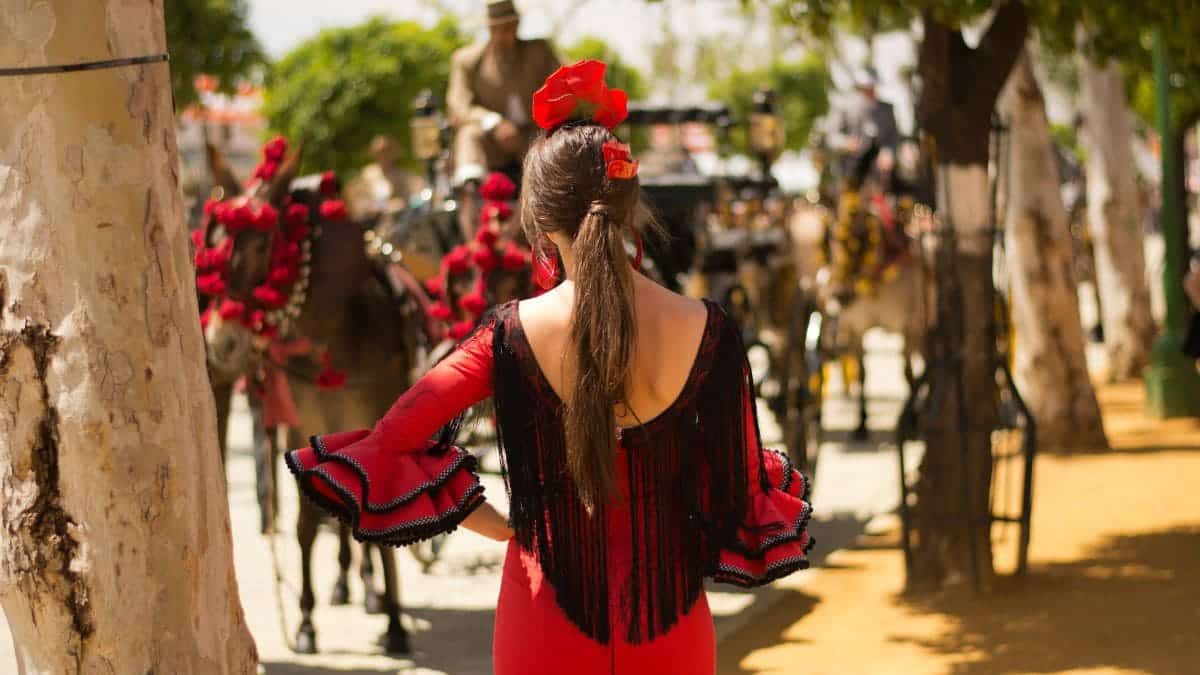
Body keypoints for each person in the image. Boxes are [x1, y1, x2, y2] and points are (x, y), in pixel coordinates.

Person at [286, 61, 813, 674]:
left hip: (542, 619)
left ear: (537, 220)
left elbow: (391, 439)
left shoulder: (507, 335)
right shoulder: (710, 329)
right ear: (631, 204)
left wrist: (500, 527)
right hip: (670, 626)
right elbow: (741, 491)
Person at [446, 0, 560, 188]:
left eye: (507, 27)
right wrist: (494, 123)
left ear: (517, 25)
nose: (501, 34)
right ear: (488, 28)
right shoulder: (467, 61)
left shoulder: (540, 52)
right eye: (495, 29)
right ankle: (471, 193)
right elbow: (458, 106)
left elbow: (566, 83)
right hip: (491, 141)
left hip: (536, 136)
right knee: (469, 135)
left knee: (559, 140)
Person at [827, 67, 900, 186]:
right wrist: (846, 143)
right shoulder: (843, 108)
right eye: (865, 88)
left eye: (871, 88)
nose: (869, 92)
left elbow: (894, 136)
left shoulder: (887, 109)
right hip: (851, 168)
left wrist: (888, 152)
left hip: (879, 172)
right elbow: (831, 137)